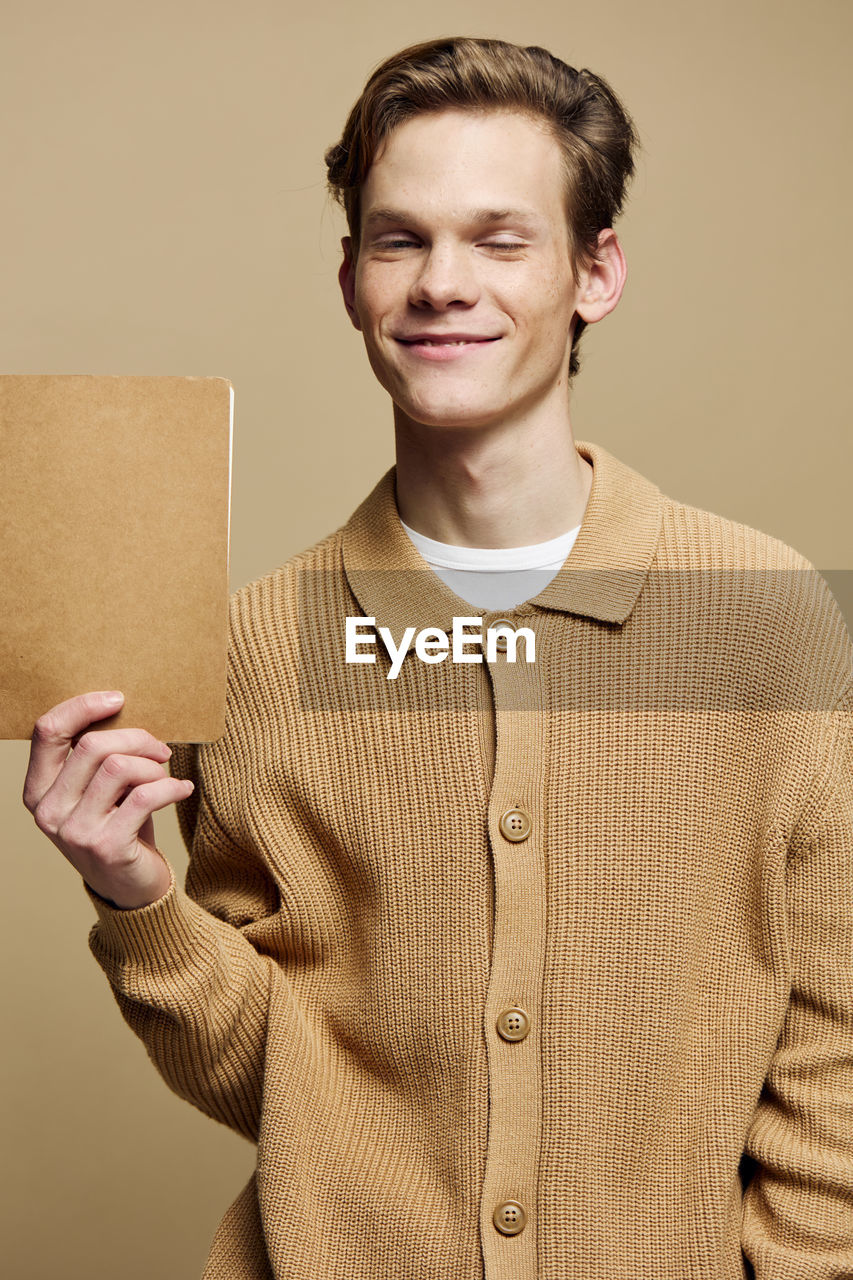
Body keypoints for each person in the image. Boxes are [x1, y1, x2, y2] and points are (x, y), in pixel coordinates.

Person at [22, 35, 853, 1280]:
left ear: (595, 271)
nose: (440, 284)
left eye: (499, 239)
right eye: (399, 239)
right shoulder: (257, 644)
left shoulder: (761, 613)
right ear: (350, 277)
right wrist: (135, 894)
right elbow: (298, 1086)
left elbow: (835, 1041)